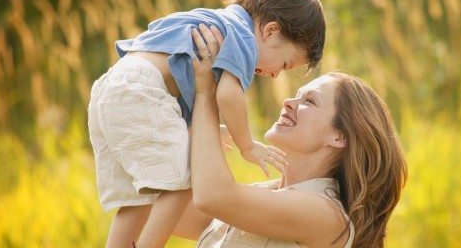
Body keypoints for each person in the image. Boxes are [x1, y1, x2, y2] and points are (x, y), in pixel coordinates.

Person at [87, 0, 326, 246]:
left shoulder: (221, 21)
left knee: (137, 198)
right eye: (285, 64)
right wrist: (247, 145)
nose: (276, 75)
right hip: (143, 90)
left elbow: (176, 72)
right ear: (270, 31)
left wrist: (195, 129)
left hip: (112, 87)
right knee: (188, 177)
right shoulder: (244, 39)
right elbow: (228, 95)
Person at [173, 26, 407, 247]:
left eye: (310, 101)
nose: (288, 102)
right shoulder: (263, 194)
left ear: (339, 137)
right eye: (297, 95)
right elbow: (166, 206)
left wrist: (205, 93)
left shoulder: (327, 214)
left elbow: (213, 197)